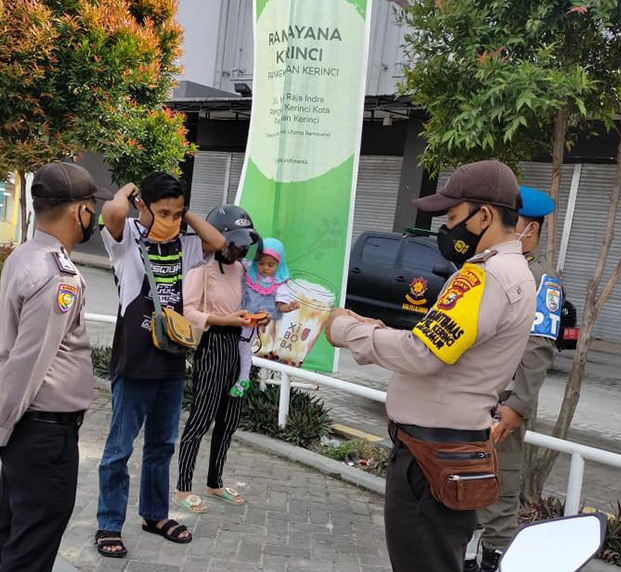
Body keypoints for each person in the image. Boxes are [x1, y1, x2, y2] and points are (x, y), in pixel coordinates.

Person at [324, 159, 536, 572]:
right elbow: (440, 344)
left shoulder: (484, 277)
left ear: (485, 216)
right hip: (449, 451)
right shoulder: (516, 272)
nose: (447, 229)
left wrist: (346, 330)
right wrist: (381, 331)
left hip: (431, 458)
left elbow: (424, 354)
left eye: (454, 217)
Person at [0, 162, 114, 572]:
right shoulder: (57, 276)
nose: (93, 215)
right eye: (90, 206)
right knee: (30, 549)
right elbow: (29, 362)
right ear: (76, 211)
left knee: (13, 535)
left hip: (30, 432)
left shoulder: (25, 256)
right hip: (45, 434)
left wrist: (3, 428)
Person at [95, 172, 225, 558]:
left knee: (162, 446)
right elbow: (112, 211)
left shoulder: (185, 243)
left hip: (171, 360)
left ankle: (154, 515)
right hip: (133, 362)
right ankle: (108, 523)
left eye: (177, 213)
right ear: (143, 208)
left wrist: (184, 216)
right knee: (119, 450)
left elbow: (217, 242)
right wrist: (128, 192)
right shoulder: (126, 241)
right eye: (163, 212)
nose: (171, 220)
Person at [466, 186, 561, 572]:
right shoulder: (486, 267)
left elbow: (539, 350)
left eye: (514, 224)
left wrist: (516, 408)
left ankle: (496, 559)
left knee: (499, 486)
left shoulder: (540, 280)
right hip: (470, 396)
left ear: (531, 231)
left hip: (502, 404)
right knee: (466, 480)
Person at [174, 204, 259, 513]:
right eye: (234, 243)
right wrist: (226, 320)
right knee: (202, 417)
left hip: (239, 348)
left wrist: (254, 318)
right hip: (213, 346)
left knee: (229, 420)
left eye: (243, 244)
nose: (239, 250)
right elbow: (188, 311)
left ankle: (214, 481)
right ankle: (183, 487)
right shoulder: (201, 267)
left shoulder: (241, 270)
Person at [230, 237, 299, 398]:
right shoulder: (249, 269)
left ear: (279, 264)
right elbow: (236, 262)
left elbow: (280, 306)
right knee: (233, 346)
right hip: (235, 315)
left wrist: (290, 307)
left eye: (270, 265)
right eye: (261, 263)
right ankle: (234, 375)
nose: (264, 268)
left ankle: (243, 378)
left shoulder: (279, 284)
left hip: (253, 321)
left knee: (243, 348)